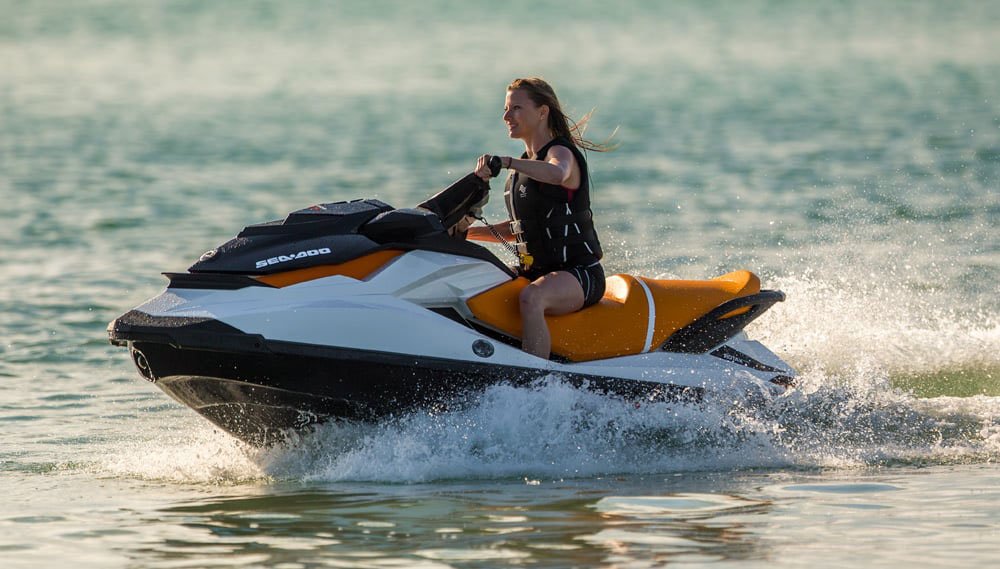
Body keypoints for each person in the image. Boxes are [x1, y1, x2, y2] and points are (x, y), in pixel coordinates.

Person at [468, 77, 615, 359]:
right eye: (506, 109)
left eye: (516, 108)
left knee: (531, 297)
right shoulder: (523, 167)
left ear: (542, 112)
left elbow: (558, 174)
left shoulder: (559, 153)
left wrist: (507, 161)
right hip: (536, 271)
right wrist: (465, 234)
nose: (506, 117)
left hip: (580, 274)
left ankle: (536, 380)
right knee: (478, 280)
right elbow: (519, 230)